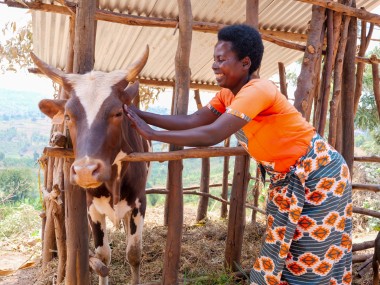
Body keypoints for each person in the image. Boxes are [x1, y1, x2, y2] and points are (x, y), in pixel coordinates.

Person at [124, 24, 352, 285]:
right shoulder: (227, 96)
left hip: (319, 176)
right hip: (290, 179)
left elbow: (211, 134)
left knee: (309, 255)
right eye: (214, 59)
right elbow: (193, 120)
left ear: (245, 63)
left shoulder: (258, 90)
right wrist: (137, 114)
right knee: (283, 254)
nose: (213, 65)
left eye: (221, 59)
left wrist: (152, 135)